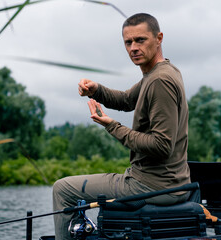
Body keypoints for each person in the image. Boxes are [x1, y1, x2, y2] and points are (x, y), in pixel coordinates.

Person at [53, 13, 191, 239]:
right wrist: (96, 89)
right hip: (167, 182)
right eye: (128, 42)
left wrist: (112, 126)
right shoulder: (160, 72)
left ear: (159, 38)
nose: (133, 48)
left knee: (63, 189)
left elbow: (162, 145)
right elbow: (127, 100)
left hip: (151, 185)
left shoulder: (159, 81)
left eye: (140, 40)